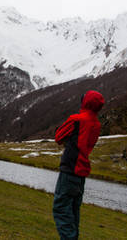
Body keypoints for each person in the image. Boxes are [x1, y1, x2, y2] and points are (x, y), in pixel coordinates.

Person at [52, 90, 105, 240]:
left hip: (70, 169)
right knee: (74, 210)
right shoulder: (96, 124)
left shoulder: (77, 119)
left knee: (61, 209)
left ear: (85, 102)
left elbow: (58, 137)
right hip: (81, 172)